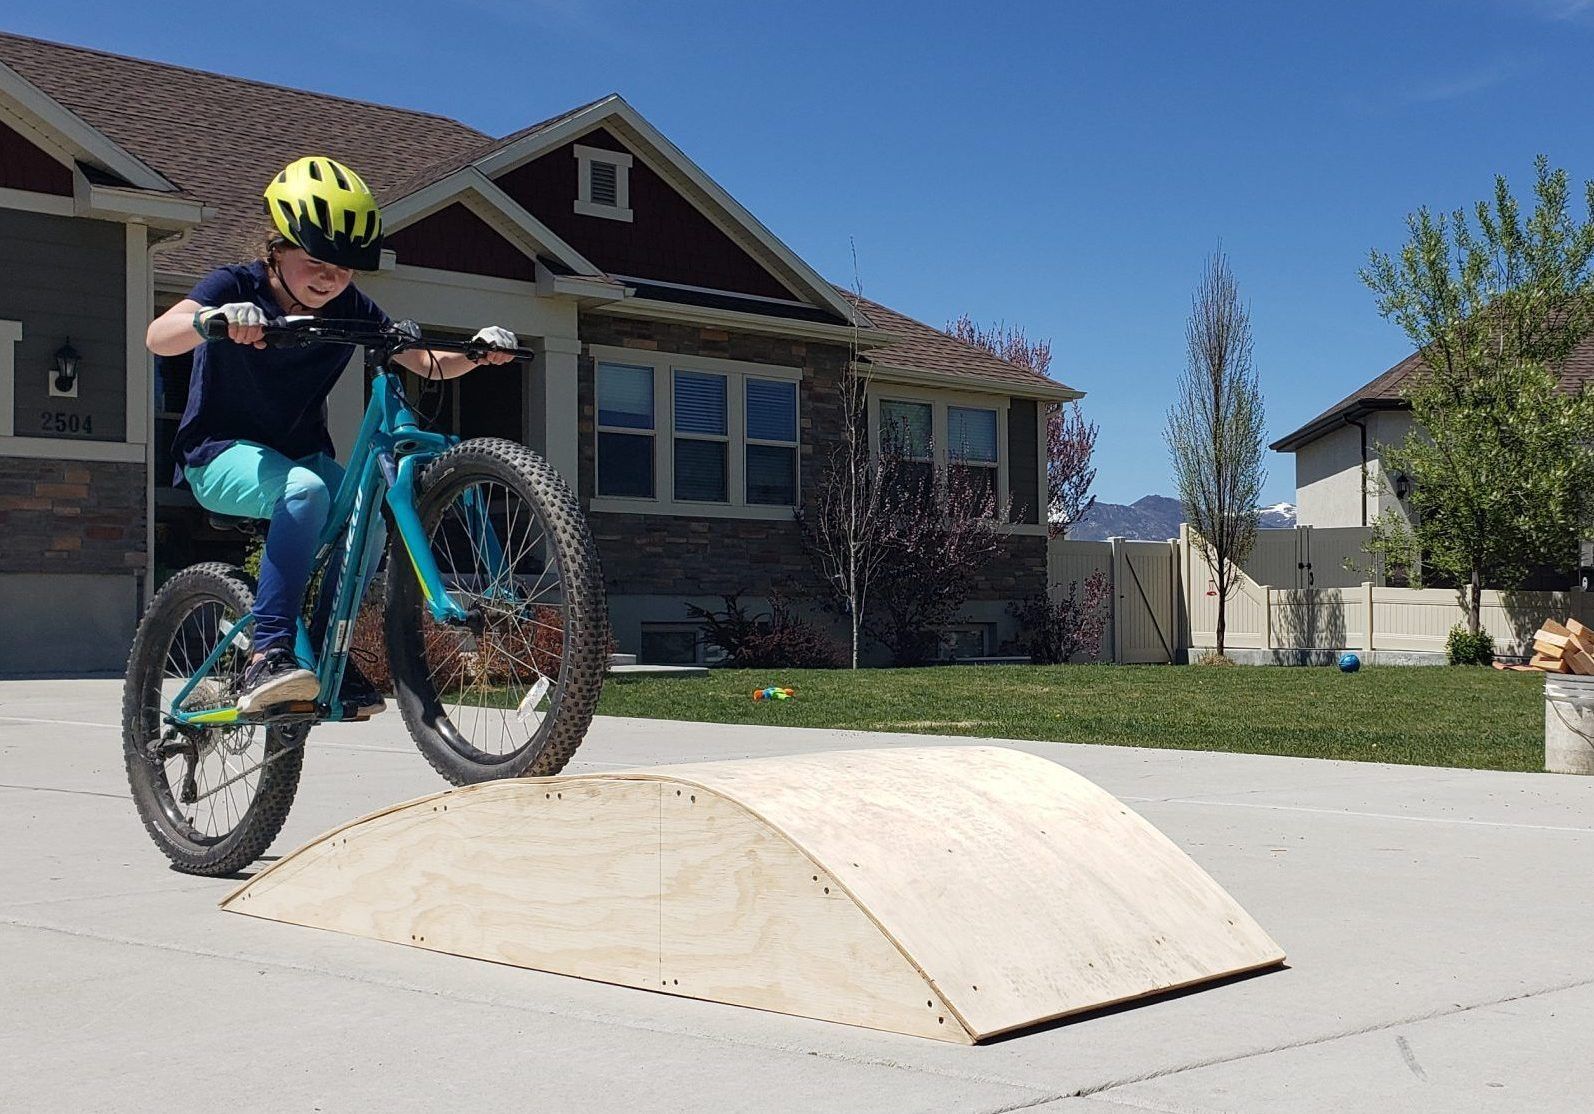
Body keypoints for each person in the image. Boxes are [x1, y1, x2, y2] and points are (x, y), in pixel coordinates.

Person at [146, 156, 519, 716]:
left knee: (368, 518)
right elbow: (159, 335)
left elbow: (421, 360)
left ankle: (323, 657)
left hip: (300, 458)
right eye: (316, 261)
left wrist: (478, 353)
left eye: (344, 270)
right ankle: (267, 655)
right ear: (277, 247)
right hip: (217, 457)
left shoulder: (350, 306)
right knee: (307, 491)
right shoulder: (236, 283)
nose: (329, 279)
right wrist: (215, 318)